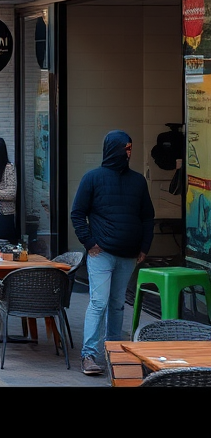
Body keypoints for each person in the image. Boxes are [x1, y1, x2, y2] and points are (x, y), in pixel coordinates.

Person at [71, 130, 155, 376]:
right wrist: (89, 242)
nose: (129, 153)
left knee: (118, 304)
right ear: (113, 149)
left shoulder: (138, 181)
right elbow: (77, 213)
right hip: (101, 253)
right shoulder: (93, 178)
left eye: (131, 148)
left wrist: (144, 247)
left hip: (128, 255)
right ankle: (89, 355)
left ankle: (115, 353)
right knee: (98, 303)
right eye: (125, 148)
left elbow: (147, 216)